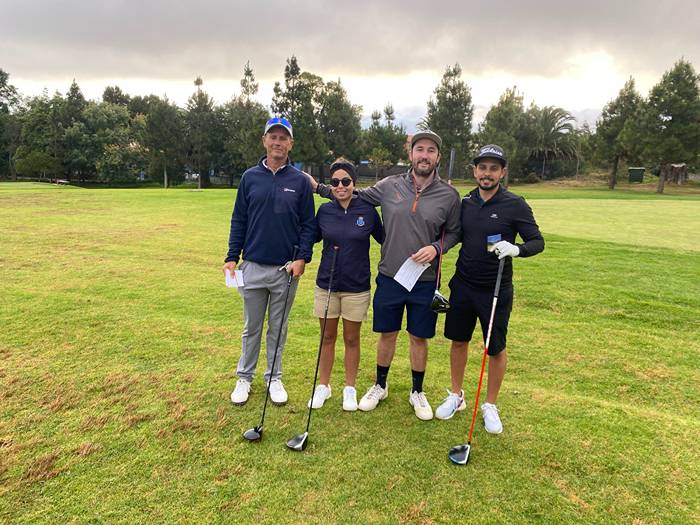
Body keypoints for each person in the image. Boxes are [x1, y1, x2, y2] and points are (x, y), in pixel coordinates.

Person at [308, 130, 461, 420]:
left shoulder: (449, 195)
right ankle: (380, 384)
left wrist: (437, 248)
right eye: (420, 149)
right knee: (387, 333)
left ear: (438, 156)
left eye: (430, 150)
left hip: (424, 279)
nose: (424, 155)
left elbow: (454, 232)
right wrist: (320, 188)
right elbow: (352, 193)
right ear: (411, 154)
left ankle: (417, 391)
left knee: (418, 337)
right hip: (390, 276)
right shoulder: (389, 185)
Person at [435, 144, 544, 434]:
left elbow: (537, 241)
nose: (487, 173)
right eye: (482, 167)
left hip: (495, 288)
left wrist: (517, 249)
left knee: (493, 348)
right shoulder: (466, 202)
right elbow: (451, 231)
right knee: (458, 341)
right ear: (475, 170)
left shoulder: (515, 204)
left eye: (493, 168)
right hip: (463, 284)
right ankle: (457, 395)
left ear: (502, 172)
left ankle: (490, 404)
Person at [223, 117, 316, 407]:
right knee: (252, 327)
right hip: (251, 266)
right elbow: (239, 219)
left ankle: (274, 376)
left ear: (291, 144)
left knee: (278, 326)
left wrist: (302, 258)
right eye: (272, 137)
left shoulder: (299, 182)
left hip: (285, 269)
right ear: (264, 141)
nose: (277, 142)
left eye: (283, 138)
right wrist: (231, 257)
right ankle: (244, 377)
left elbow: (308, 225)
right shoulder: (249, 177)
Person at [308, 158, 384, 411]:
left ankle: (349, 388)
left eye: (346, 181)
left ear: (354, 182)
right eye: (335, 182)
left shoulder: (368, 211)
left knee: (352, 339)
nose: (341, 186)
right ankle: (324, 386)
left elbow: (387, 239)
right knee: (327, 337)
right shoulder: (325, 211)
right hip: (326, 284)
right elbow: (310, 237)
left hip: (357, 286)